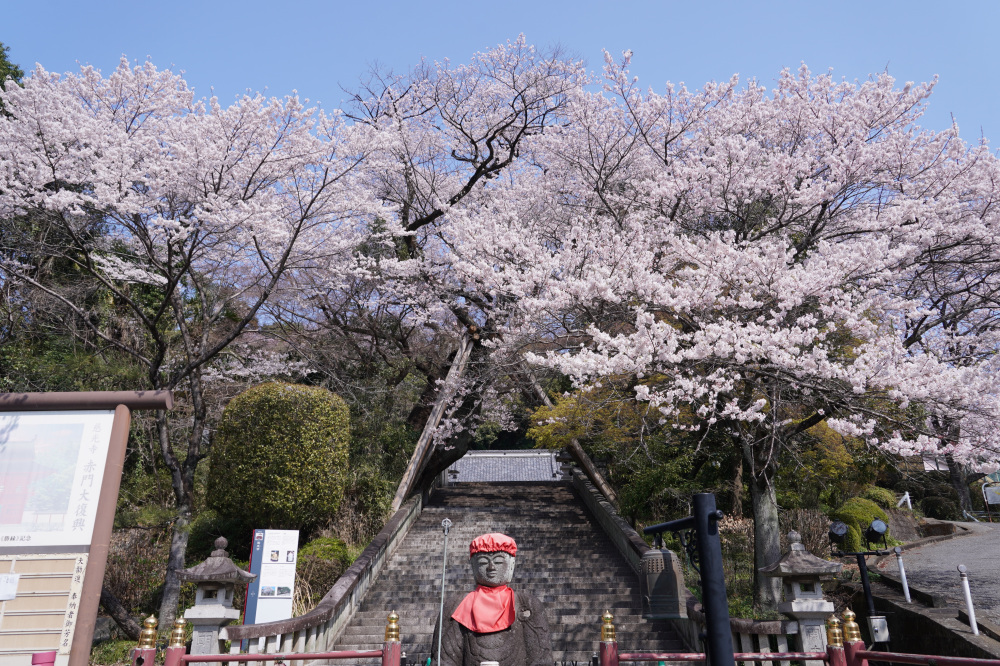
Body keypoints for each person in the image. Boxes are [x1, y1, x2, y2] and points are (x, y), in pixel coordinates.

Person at [433, 533, 553, 666]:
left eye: (498, 561)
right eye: (483, 562)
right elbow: (444, 660)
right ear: (473, 565)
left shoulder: (527, 605)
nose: (491, 567)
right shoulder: (456, 606)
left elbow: (541, 660)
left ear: (511, 564)